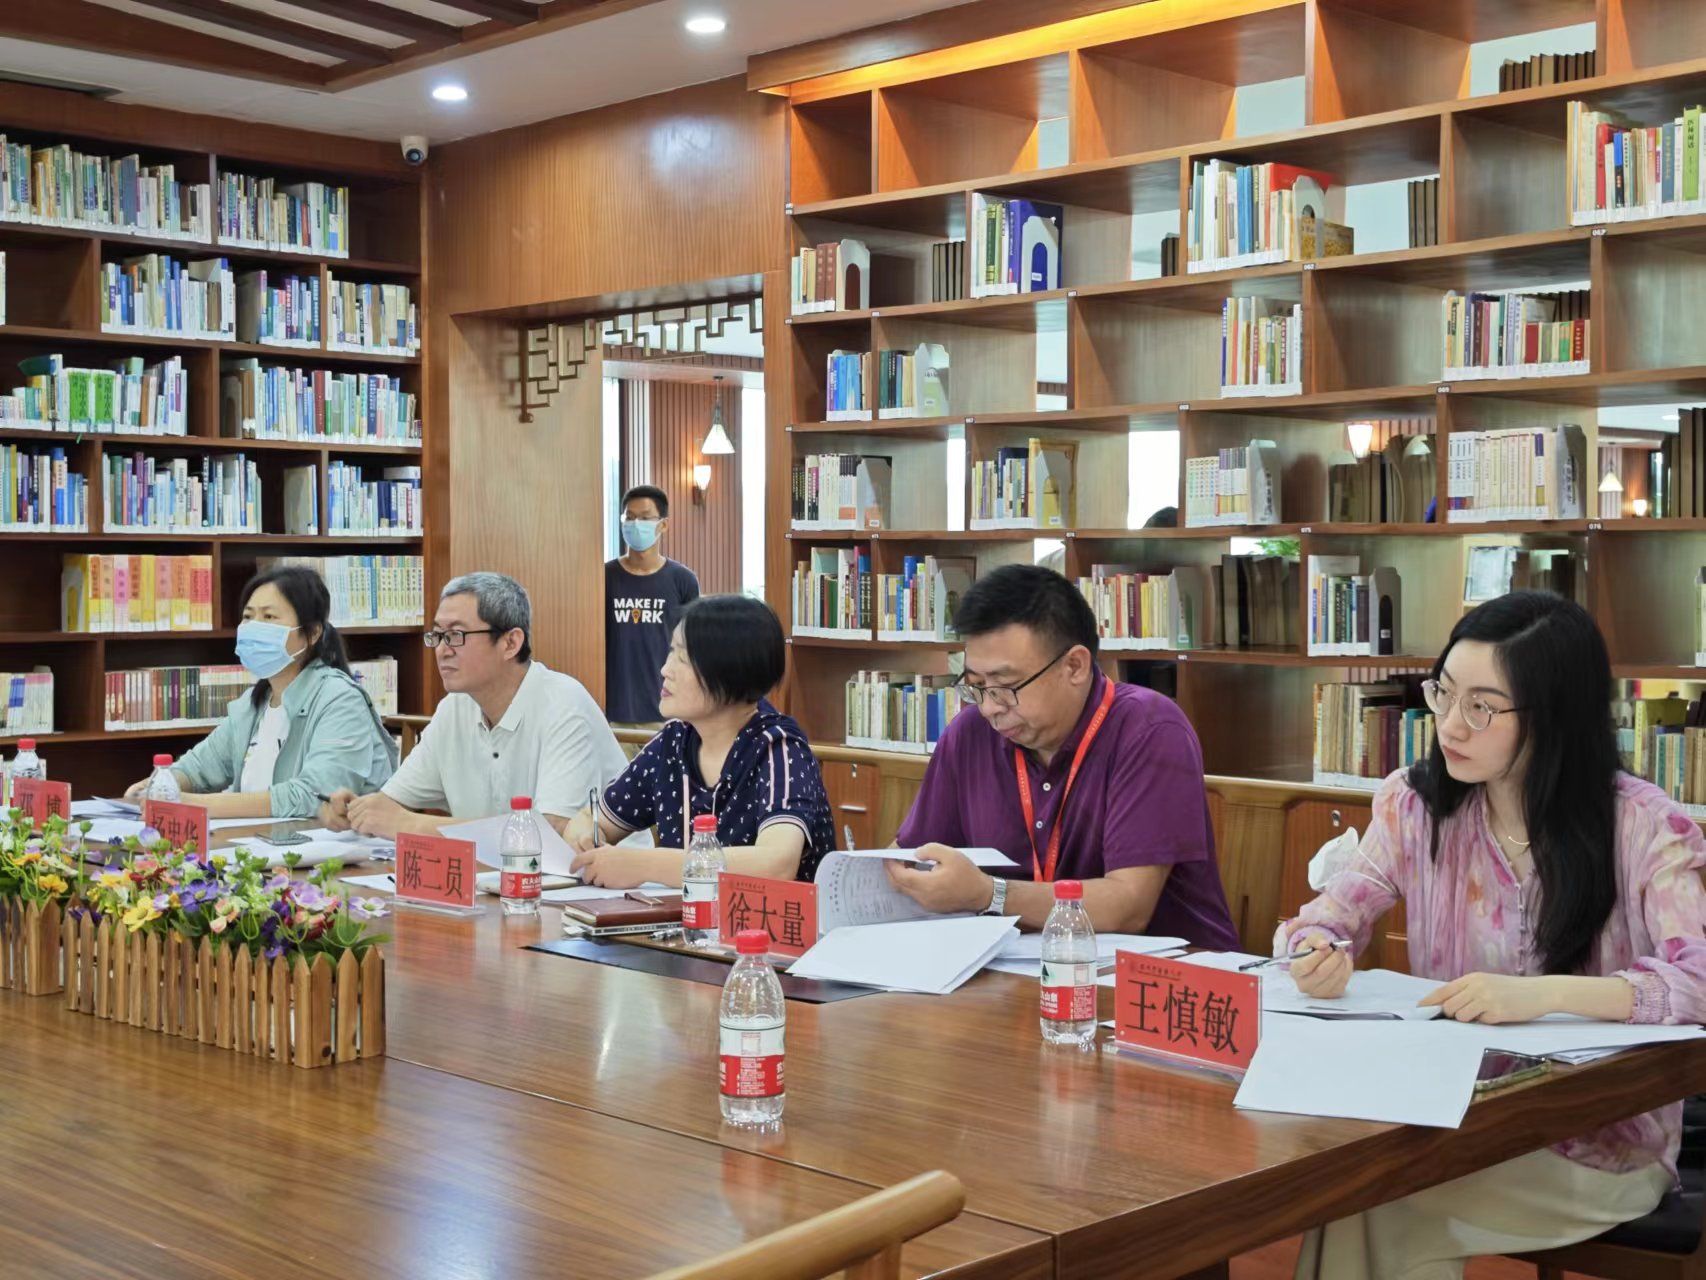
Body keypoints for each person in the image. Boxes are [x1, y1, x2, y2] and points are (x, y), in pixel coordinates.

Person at [1280, 591, 1706, 1279]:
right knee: (1356, 1188)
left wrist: (1543, 996)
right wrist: (1315, 951)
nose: (1450, 724)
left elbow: (1698, 981)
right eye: (1444, 693)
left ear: (1554, 714)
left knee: (1380, 1202)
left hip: (1598, 1143)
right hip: (1451, 1115)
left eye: (1481, 706)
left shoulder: (1642, 826)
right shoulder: (1416, 805)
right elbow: (1330, 916)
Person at [885, 564, 1240, 947]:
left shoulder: (1149, 730)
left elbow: (1128, 906)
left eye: (1005, 686)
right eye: (976, 685)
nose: (989, 707)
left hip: (1156, 973)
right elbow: (911, 853)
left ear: (1075, 666)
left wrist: (989, 894)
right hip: (1016, 966)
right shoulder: (969, 734)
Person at [325, 571, 630, 840]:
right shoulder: (454, 708)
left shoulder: (564, 704)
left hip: (597, 881)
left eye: (456, 635)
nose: (442, 650)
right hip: (491, 877)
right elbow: (393, 803)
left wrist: (410, 824)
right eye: (437, 635)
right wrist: (356, 810)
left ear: (511, 643)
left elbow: (551, 832)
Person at [566, 594, 833, 887]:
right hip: (684, 916)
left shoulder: (778, 748)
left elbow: (777, 863)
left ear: (730, 671)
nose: (665, 670)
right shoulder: (673, 741)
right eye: (671, 652)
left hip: (768, 917)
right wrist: (585, 838)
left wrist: (643, 865)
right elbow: (592, 819)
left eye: (682, 658)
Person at [124, 565, 396, 819]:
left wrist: (192, 804)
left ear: (312, 633)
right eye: (248, 617)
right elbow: (199, 768)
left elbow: (315, 796)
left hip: (327, 847)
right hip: (258, 842)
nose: (254, 627)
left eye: (269, 617)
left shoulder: (340, 699)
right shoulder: (254, 703)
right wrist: (159, 785)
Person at [605, 484, 700, 724]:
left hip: (665, 712)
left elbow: (693, 648)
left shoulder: (683, 580)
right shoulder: (604, 577)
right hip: (610, 713)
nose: (636, 524)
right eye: (630, 517)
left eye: (645, 518)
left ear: (663, 525)